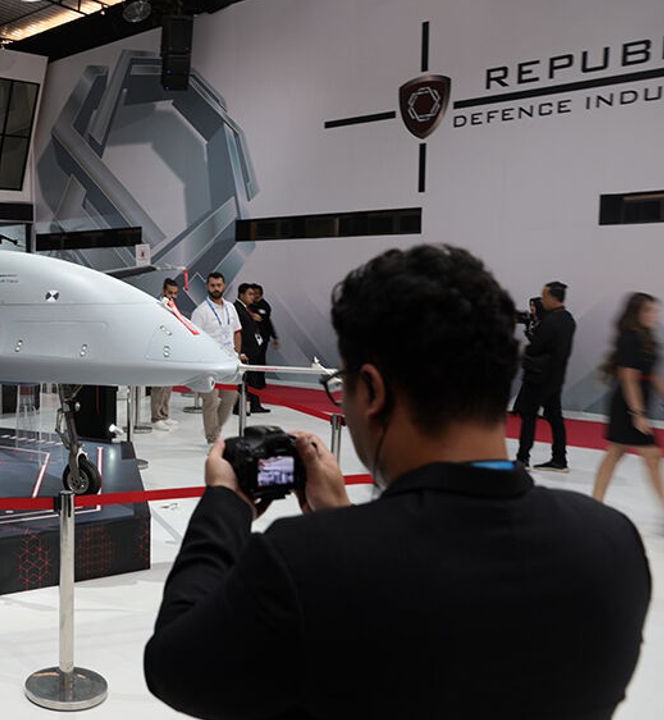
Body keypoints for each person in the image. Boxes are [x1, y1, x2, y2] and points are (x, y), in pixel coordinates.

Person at [145, 245, 650, 720]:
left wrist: (225, 505)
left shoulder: (304, 562)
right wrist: (343, 523)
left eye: (341, 385)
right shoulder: (611, 544)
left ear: (372, 391)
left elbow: (176, 666)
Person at [592, 292, 664, 507]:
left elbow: (651, 375)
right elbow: (628, 378)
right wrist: (637, 413)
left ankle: (595, 502)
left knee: (616, 453)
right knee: (651, 455)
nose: (653, 315)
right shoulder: (631, 339)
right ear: (636, 313)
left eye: (654, 310)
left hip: (633, 403)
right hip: (627, 405)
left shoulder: (646, 338)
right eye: (648, 310)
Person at [515, 281, 576, 471]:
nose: (541, 301)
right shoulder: (568, 320)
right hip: (555, 377)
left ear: (551, 298)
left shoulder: (550, 322)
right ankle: (559, 458)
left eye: (544, 297)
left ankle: (522, 458)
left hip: (538, 377)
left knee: (529, 417)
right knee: (555, 418)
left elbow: (535, 347)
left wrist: (526, 348)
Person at [189, 272, 243, 445]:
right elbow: (194, 339)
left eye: (219, 285)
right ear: (207, 286)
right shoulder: (201, 312)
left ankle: (214, 429)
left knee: (231, 398)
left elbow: (237, 332)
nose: (216, 288)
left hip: (229, 362)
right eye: (212, 285)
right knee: (210, 401)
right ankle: (212, 439)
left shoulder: (231, 308)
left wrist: (237, 354)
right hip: (209, 364)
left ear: (224, 285)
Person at [151, 278, 182, 432]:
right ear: (163, 291)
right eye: (170, 293)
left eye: (175, 293)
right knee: (159, 385)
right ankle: (156, 417)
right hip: (159, 349)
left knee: (168, 384)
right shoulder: (158, 306)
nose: (172, 296)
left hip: (171, 348)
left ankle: (164, 414)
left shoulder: (173, 306)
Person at [234, 283, 270, 414]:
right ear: (241, 294)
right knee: (244, 379)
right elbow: (237, 332)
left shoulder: (247, 309)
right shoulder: (236, 309)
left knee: (252, 379)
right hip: (245, 350)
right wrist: (240, 351)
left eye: (253, 294)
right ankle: (239, 406)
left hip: (253, 349)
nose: (252, 297)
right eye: (250, 294)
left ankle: (255, 405)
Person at [250, 283, 278, 350]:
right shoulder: (248, 304)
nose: (254, 295)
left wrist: (274, 337)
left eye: (256, 293)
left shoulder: (265, 306)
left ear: (261, 294)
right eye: (252, 293)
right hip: (250, 336)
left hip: (262, 337)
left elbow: (267, 322)